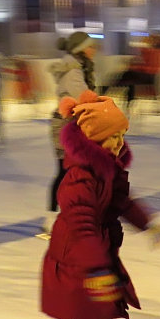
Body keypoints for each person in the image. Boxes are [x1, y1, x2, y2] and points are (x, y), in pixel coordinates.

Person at [42, 90, 160, 319]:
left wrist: (148, 224)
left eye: (122, 135)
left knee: (108, 307)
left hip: (98, 250)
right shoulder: (79, 178)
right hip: (79, 256)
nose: (119, 143)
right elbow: (82, 225)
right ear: (95, 138)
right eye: (113, 136)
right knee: (86, 318)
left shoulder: (106, 170)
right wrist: (96, 268)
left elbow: (122, 202)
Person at [42, 31, 98, 238]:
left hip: (73, 125)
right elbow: (85, 98)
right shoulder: (73, 70)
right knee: (66, 172)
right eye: (91, 46)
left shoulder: (80, 68)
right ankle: (52, 218)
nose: (94, 50)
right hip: (65, 126)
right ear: (81, 49)